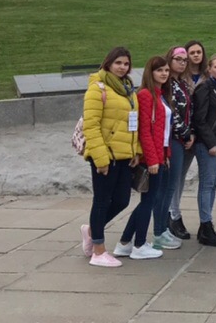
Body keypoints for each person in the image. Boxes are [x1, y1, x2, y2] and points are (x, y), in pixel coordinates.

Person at [79, 47, 140, 268]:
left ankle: (92, 230)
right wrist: (101, 158)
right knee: (102, 201)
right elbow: (91, 125)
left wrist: (136, 150)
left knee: (122, 200)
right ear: (108, 63)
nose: (122, 67)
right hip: (106, 156)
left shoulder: (128, 89)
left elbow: (133, 123)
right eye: (118, 63)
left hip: (124, 155)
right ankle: (98, 250)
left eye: (126, 64)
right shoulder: (98, 88)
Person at [113, 56, 171, 260]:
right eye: (159, 70)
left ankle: (125, 242)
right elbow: (145, 131)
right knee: (148, 201)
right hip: (151, 158)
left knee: (148, 200)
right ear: (150, 72)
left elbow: (163, 130)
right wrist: (153, 159)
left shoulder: (160, 94)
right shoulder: (146, 95)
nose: (164, 73)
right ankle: (139, 244)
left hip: (160, 154)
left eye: (166, 70)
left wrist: (166, 154)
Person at [192, 54, 216, 247]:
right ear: (209, 68)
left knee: (213, 184)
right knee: (207, 184)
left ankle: (205, 223)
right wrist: (210, 143)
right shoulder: (204, 88)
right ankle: (206, 224)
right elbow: (199, 119)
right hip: (209, 144)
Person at [163, 46, 196, 242]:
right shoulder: (167, 83)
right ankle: (170, 217)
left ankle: (173, 214)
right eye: (178, 59)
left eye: (185, 60)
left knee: (179, 179)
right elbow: (172, 112)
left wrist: (191, 134)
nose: (182, 63)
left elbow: (188, 110)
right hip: (174, 138)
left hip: (185, 138)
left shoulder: (182, 82)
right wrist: (185, 134)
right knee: (171, 181)